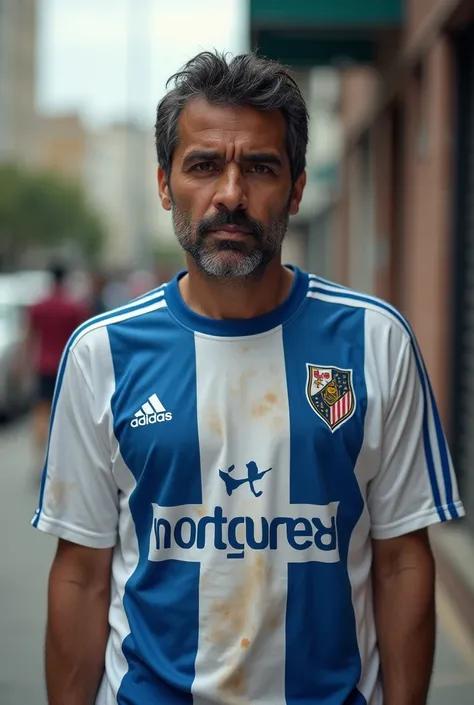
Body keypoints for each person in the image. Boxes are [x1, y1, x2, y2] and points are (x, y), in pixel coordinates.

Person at [32, 52, 465, 705]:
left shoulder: (375, 341)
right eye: (203, 165)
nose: (230, 195)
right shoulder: (103, 352)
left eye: (259, 167)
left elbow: (403, 558)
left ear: (295, 188)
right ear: (162, 183)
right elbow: (83, 576)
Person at [25, 262, 89, 467]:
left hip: (43, 365)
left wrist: (24, 364)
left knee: (42, 412)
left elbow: (29, 337)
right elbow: (82, 338)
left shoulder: (38, 306)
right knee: (67, 413)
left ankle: (40, 460)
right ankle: (63, 460)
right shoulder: (73, 306)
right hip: (66, 366)